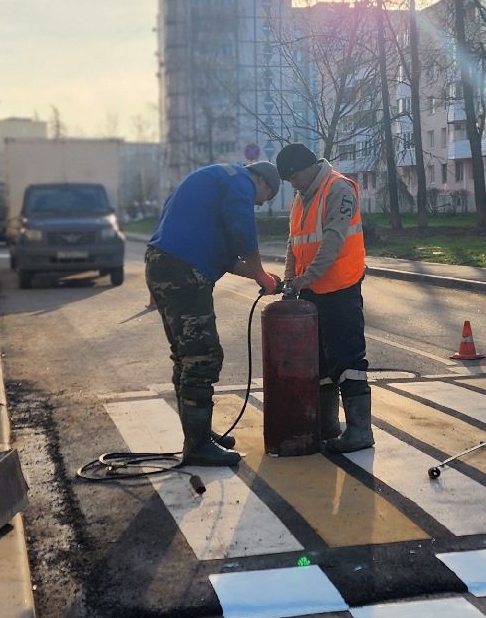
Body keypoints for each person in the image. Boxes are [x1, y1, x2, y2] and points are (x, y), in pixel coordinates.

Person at [145, 161, 282, 467]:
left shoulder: (211, 182)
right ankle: (197, 446)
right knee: (202, 356)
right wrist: (259, 271)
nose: (260, 203)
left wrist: (260, 276)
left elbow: (224, 257)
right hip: (184, 272)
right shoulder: (239, 181)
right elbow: (242, 229)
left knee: (185, 356)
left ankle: (199, 434)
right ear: (259, 179)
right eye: (266, 195)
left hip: (164, 264)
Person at [274, 142, 372, 454]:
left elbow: (332, 240)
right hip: (312, 292)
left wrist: (305, 278)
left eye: (294, 178)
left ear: (308, 167)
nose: (293, 184)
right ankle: (327, 426)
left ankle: (360, 431)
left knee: (347, 359)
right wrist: (290, 278)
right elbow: (294, 242)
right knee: (319, 362)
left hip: (341, 289)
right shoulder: (301, 198)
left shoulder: (338, 189)